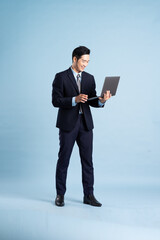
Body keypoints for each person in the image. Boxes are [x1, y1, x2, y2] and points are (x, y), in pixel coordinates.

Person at [52, 46, 112, 207]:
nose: (86, 64)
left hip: (85, 124)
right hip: (68, 125)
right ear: (74, 59)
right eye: (83, 61)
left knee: (88, 161)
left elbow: (91, 100)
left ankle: (89, 195)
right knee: (64, 160)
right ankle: (60, 195)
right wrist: (74, 99)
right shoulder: (61, 77)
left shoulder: (89, 78)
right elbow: (55, 101)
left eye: (88, 61)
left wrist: (102, 100)